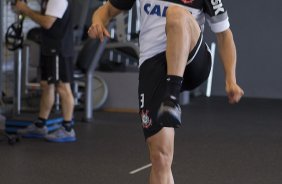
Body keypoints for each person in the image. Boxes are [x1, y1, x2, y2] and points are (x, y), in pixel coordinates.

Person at [88, 0, 244, 183]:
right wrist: (97, 22)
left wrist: (231, 79)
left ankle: (171, 98)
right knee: (160, 159)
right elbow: (105, 10)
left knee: (176, 14)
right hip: (154, 65)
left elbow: (224, 35)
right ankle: (169, 100)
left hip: (192, 61)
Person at [15, 0, 76, 143]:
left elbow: (47, 22)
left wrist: (26, 9)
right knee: (47, 85)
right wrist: (26, 10)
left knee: (62, 87)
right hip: (49, 48)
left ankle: (68, 129)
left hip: (58, 50)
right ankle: (40, 125)